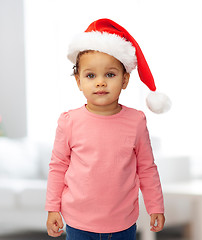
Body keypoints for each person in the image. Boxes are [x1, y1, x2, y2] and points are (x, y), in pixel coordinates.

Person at [45, 18, 168, 240]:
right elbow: (58, 167)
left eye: (110, 74)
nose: (100, 82)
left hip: (122, 223)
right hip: (78, 222)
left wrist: (155, 206)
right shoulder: (69, 121)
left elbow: (147, 168)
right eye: (91, 75)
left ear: (125, 80)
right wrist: (52, 207)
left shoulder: (136, 121)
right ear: (78, 81)